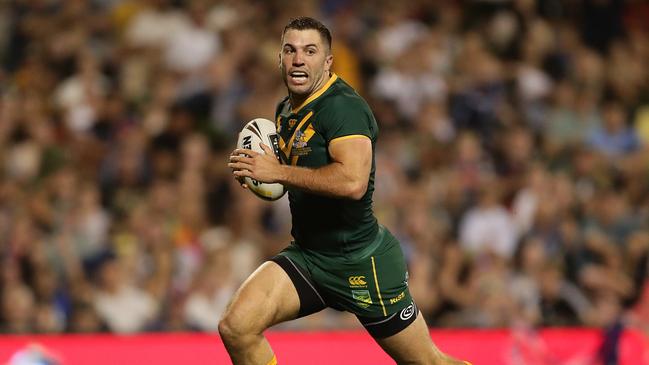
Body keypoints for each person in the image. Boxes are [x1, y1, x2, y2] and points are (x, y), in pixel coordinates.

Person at [224, 17, 471, 365]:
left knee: (430, 363)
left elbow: (353, 183)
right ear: (279, 58)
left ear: (327, 62)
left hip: (361, 262)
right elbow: (288, 175)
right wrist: (257, 175)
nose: (298, 59)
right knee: (236, 327)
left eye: (310, 51)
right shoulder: (285, 109)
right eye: (290, 50)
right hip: (309, 257)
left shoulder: (344, 108)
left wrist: (276, 171)